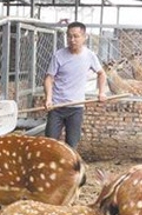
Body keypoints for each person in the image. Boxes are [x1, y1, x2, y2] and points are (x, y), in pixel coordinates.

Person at [44, 21, 107, 149]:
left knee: (72, 145)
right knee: (49, 144)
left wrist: (102, 92)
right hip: (56, 107)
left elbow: (102, 74)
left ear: (84, 37)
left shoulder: (90, 56)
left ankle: (69, 168)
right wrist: (49, 99)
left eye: (76, 36)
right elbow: (49, 78)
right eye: (69, 36)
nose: (72, 40)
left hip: (76, 108)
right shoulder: (59, 55)